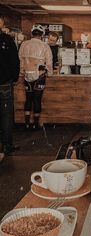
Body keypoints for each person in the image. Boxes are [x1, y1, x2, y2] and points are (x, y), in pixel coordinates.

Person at [19, 24, 53, 130]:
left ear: (32, 33)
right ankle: (36, 124)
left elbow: (20, 60)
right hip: (40, 76)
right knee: (37, 100)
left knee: (28, 99)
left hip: (27, 75)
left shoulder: (24, 44)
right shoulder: (44, 46)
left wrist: (22, 72)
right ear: (42, 35)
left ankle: (27, 123)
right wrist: (50, 73)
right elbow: (49, 62)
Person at [0, 14, 20, 158]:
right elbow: (14, 61)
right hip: (4, 82)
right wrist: (14, 78)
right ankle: (7, 145)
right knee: (6, 114)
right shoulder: (7, 40)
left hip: (5, 81)